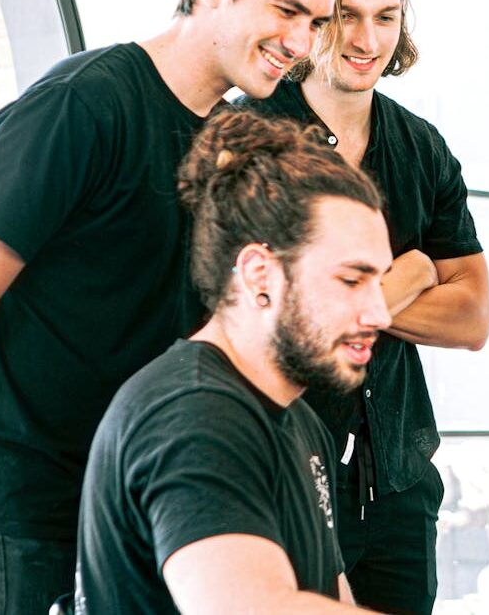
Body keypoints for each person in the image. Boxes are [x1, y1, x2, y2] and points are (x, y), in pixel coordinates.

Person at [0, 0, 347, 610]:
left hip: (144, 519)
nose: (301, 42)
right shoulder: (82, 105)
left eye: (315, 22)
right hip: (22, 522)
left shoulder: (234, 138)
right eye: (287, 10)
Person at [237, 0, 489, 611]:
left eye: (386, 15)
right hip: (282, 474)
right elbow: (253, 308)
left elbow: (472, 317)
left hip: (400, 483)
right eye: (346, 14)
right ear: (315, 16)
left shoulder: (423, 149)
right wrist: (409, 274)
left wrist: (336, 298)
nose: (366, 38)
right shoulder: (244, 133)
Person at [75, 110, 388, 613]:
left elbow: (330, 601)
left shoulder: (301, 423)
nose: (380, 311)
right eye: (352, 280)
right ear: (260, 274)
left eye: (380, 281)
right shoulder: (194, 415)